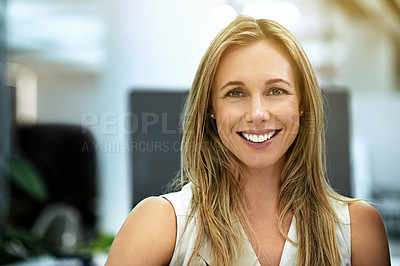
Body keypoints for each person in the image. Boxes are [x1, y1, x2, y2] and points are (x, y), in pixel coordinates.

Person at [105, 16, 390, 266]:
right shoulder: (160, 223)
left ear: (302, 104)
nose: (257, 114)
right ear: (211, 109)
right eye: (235, 93)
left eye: (276, 91)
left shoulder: (358, 229)